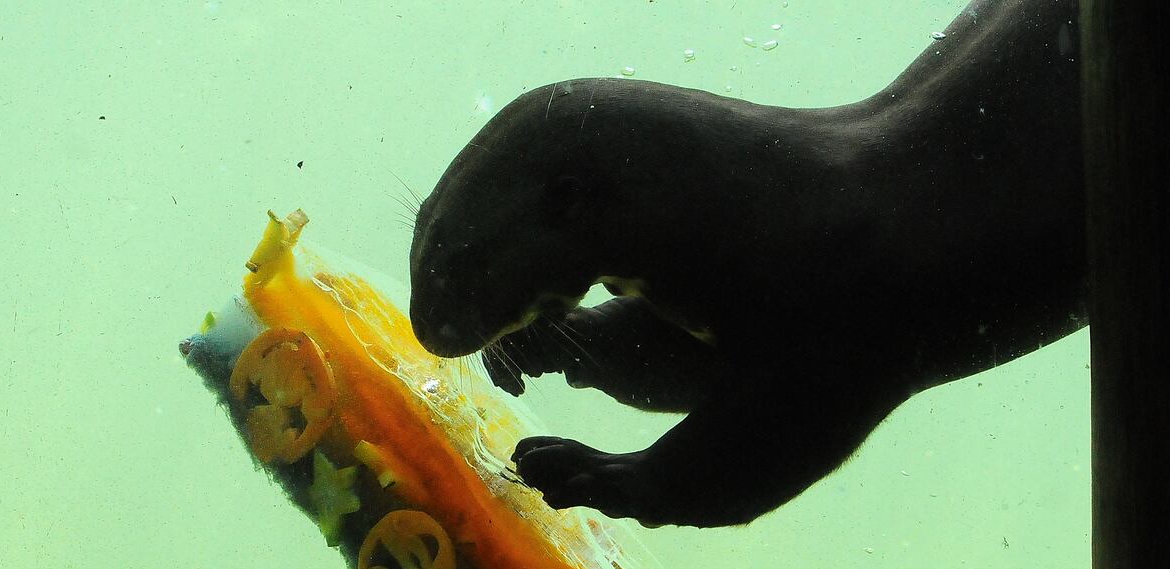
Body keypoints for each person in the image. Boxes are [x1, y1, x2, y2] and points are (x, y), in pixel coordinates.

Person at [408, 0, 1085, 528]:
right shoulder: (763, 229)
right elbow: (727, 349)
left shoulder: (836, 243)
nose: (433, 321)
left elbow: (802, 401)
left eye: (471, 268)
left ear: (573, 202)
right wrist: (576, 345)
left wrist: (649, 483)